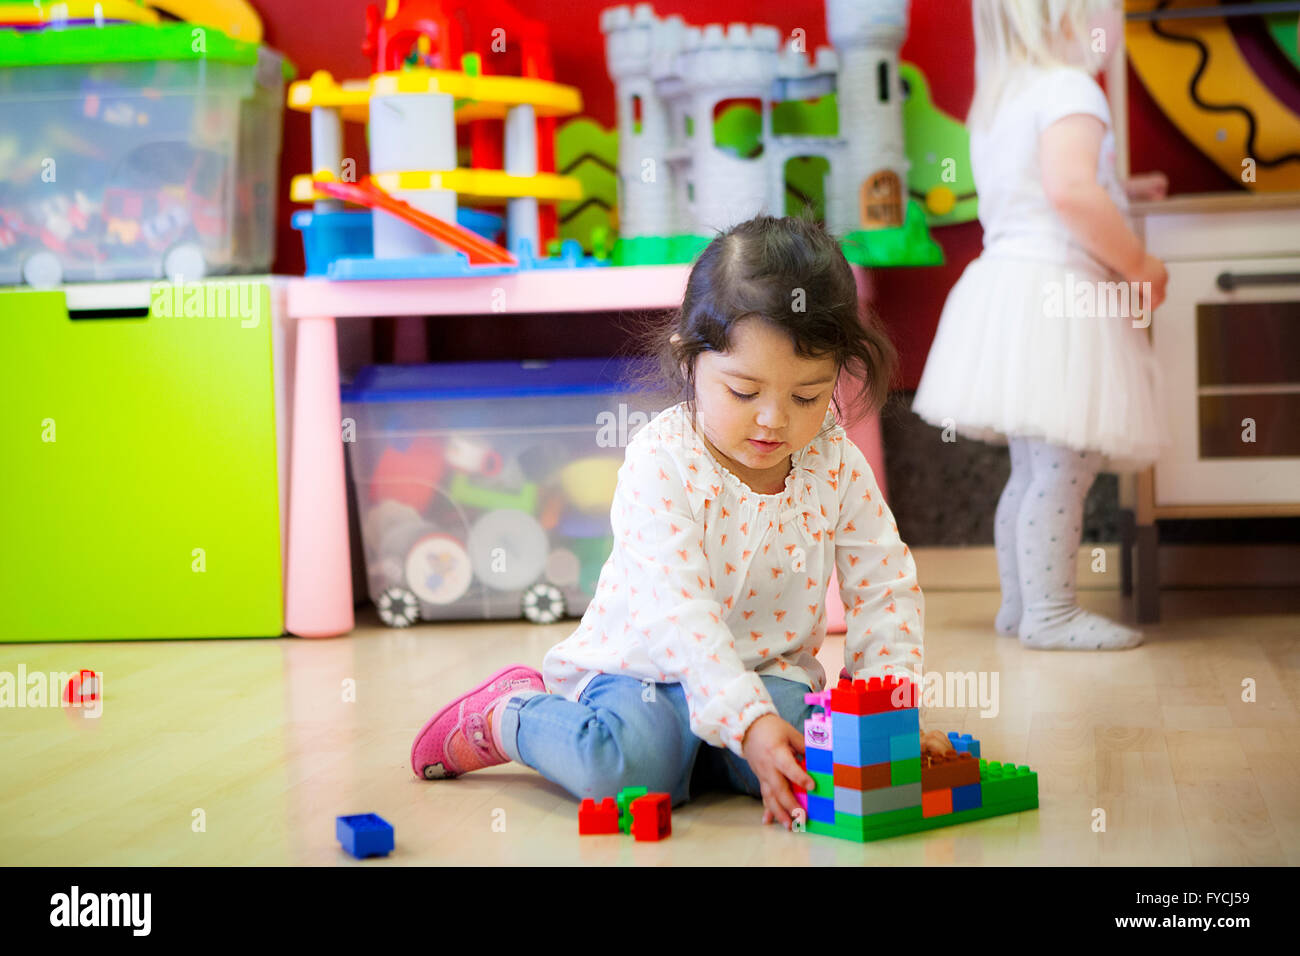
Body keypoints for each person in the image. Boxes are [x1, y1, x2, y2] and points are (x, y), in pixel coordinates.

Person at [412, 215, 953, 828]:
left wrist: (886, 717)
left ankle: (708, 755)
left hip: (767, 674)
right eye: (744, 392)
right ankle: (508, 714)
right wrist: (745, 722)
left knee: (823, 764)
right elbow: (679, 612)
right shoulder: (661, 461)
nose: (773, 420)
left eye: (807, 396)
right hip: (647, 671)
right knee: (624, 771)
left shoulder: (835, 462)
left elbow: (884, 585)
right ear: (689, 360)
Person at [912, 0, 1171, 651]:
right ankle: (1051, 615)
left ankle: (1022, 607)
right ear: (1067, 16)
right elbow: (1070, 193)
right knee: (1064, 472)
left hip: (1010, 290)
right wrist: (1138, 262)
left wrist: (1123, 187)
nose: (1115, 28)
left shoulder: (1004, 97)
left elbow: (1045, 185)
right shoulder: (1072, 88)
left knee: (1032, 473)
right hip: (1060, 297)